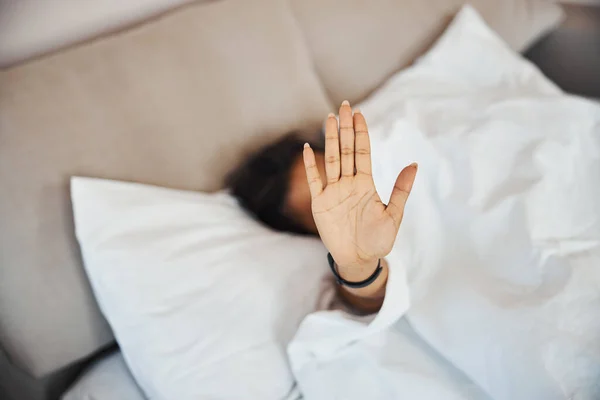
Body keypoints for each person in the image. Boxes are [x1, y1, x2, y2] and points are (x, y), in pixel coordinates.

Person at [227, 101, 418, 314]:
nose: (345, 199)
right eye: (323, 204)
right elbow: (372, 298)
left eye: (333, 178)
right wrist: (359, 266)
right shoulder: (352, 263)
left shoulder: (395, 148)